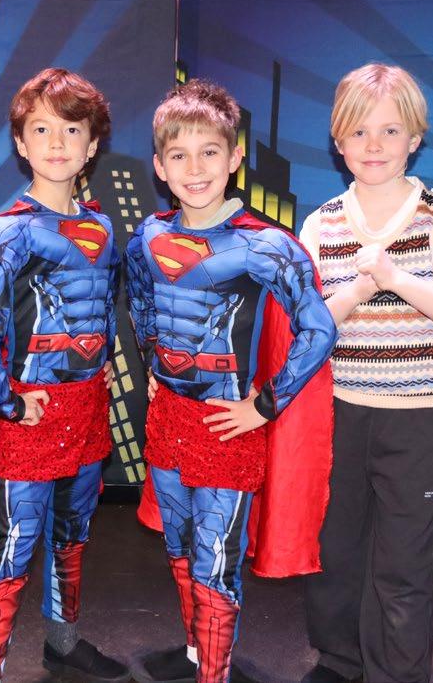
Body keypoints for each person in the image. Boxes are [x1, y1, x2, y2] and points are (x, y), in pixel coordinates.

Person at [125, 79, 336, 683]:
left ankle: (212, 675)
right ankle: (197, 656)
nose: (195, 169)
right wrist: (157, 371)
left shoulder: (265, 245)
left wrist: (265, 406)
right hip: (170, 417)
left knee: (214, 563)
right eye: (180, 155)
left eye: (209, 152)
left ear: (235, 157)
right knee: (178, 548)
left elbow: (319, 329)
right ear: (160, 166)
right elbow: (141, 305)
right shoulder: (148, 235)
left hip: (227, 423)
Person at [297, 63, 433, 683]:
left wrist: (396, 278)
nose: (373, 145)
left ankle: (398, 674)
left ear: (415, 138)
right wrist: (357, 291)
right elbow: (306, 328)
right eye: (358, 132)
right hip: (337, 415)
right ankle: (339, 661)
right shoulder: (321, 222)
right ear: (338, 141)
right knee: (335, 552)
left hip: (418, 420)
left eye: (389, 130)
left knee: (404, 564)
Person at [0, 67, 127, 683]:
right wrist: (6, 402)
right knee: (14, 551)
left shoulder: (101, 226)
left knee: (72, 538)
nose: (57, 142)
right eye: (42, 129)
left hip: (86, 409)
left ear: (92, 144)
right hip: (31, 414)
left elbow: (107, 310)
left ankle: (63, 644)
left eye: (72, 130)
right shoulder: (5, 232)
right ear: (21, 143)